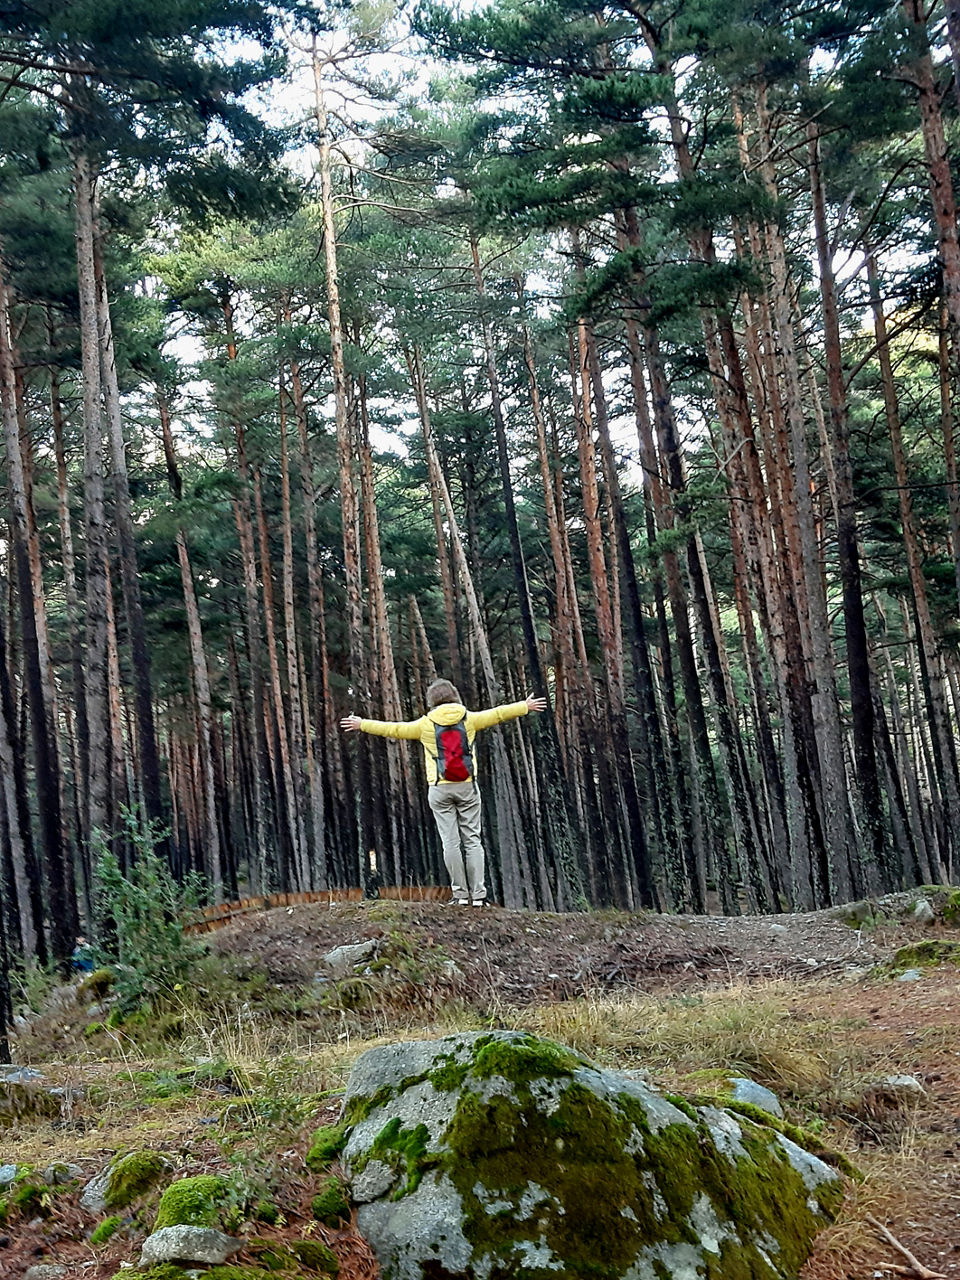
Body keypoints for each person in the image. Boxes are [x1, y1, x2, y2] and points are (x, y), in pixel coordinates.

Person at [341, 679, 547, 906]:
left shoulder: (424, 724)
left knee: (450, 843)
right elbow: (498, 713)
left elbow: (394, 728)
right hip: (467, 786)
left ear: (431, 700)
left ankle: (459, 895)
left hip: (439, 788)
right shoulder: (469, 718)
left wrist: (362, 724)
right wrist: (524, 706)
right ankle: (478, 896)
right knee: (472, 841)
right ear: (454, 695)